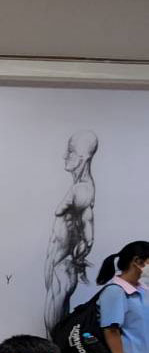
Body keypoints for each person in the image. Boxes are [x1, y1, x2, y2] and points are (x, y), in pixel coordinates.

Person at [43, 131, 98, 336]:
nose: (65, 156)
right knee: (55, 328)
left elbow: (88, 228)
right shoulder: (79, 187)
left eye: (70, 151)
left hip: (62, 267)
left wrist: (75, 257)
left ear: (83, 156)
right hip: (60, 265)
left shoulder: (82, 189)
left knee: (53, 330)